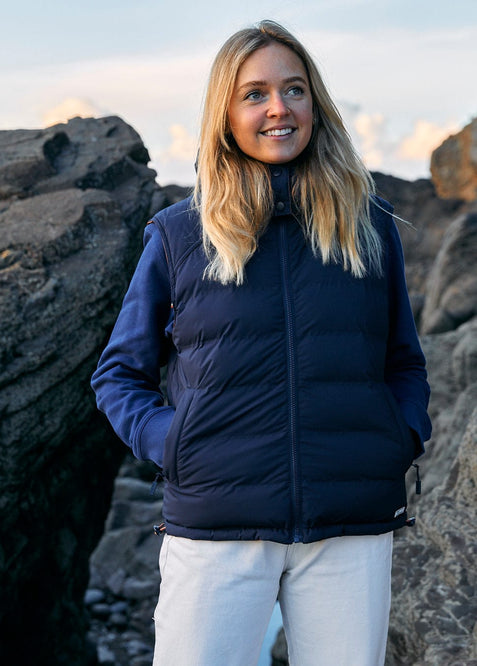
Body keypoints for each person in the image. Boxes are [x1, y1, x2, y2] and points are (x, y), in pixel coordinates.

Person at [91, 20, 432, 666]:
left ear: (314, 104)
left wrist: (399, 435)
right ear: (225, 113)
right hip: (215, 530)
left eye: (293, 90)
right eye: (254, 94)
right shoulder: (178, 236)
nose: (278, 108)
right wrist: (176, 445)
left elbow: (402, 360)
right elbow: (118, 374)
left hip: (349, 527)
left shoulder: (369, 226)